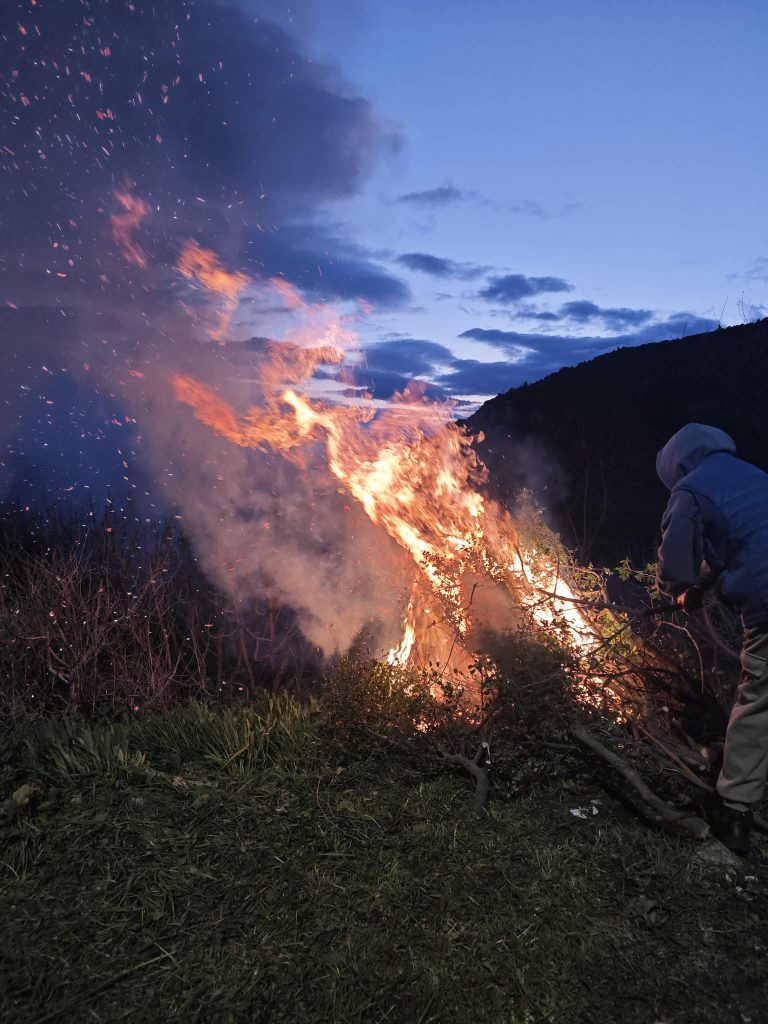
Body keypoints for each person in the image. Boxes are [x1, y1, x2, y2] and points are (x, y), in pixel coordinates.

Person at [656, 422, 768, 854]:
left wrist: (677, 588)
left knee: (758, 700)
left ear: (677, 464)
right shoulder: (751, 474)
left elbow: (675, 570)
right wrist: (699, 589)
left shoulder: (689, 490)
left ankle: (734, 809)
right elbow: (736, 546)